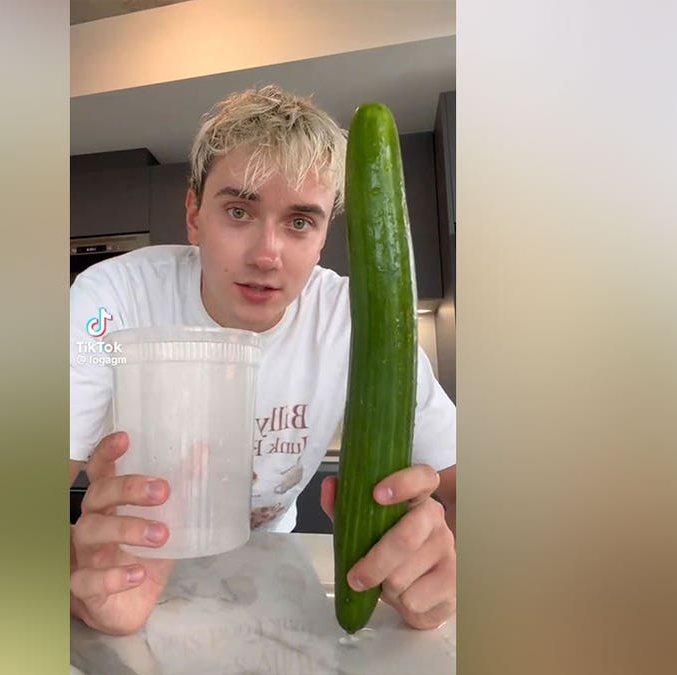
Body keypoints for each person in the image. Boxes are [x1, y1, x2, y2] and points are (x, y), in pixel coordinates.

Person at [69, 84, 457, 636]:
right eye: (238, 211)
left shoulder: (354, 317)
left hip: (277, 570)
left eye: (300, 222)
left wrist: (447, 562)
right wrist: (74, 577)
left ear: (323, 236)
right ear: (193, 215)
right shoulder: (112, 298)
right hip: (130, 563)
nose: (267, 254)